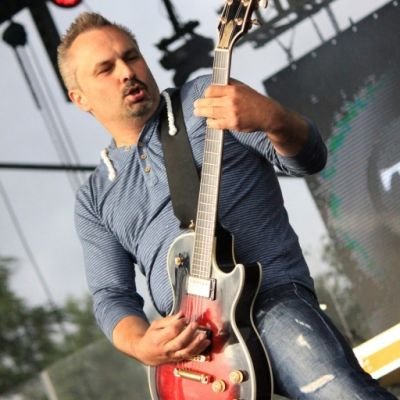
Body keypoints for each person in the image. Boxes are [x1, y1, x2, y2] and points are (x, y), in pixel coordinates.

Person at [57, 12, 397, 400]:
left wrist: (275, 119)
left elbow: (308, 159)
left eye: (131, 56)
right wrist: (141, 344)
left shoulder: (206, 97)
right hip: (196, 356)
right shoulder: (94, 197)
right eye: (106, 69)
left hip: (269, 301)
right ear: (79, 98)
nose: (126, 72)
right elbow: (111, 296)